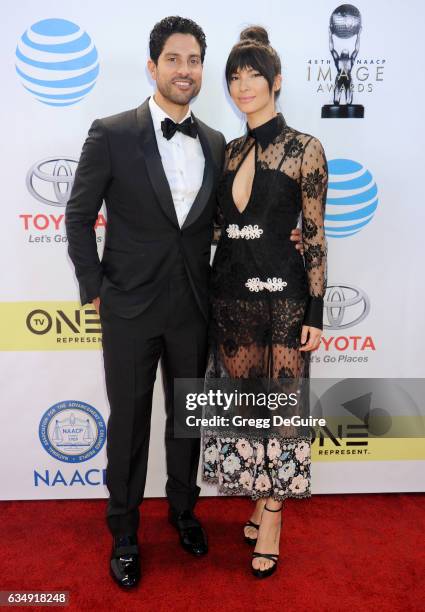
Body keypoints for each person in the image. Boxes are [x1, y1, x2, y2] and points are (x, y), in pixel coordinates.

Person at [65, 16, 303, 589]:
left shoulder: (218, 144)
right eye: (174, 59)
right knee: (128, 424)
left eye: (194, 60)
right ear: (153, 67)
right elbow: (78, 217)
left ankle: (182, 511)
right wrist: (95, 288)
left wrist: (282, 235)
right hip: (127, 305)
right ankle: (123, 531)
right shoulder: (112, 132)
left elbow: (232, 221)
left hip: (197, 306)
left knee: (187, 421)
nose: (185, 70)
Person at [202, 26, 328, 578]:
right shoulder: (227, 151)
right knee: (247, 408)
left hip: (283, 301)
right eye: (234, 75)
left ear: (276, 82)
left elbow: (316, 235)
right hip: (231, 297)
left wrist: (317, 313)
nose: (243, 84)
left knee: (281, 413)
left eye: (254, 74)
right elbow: (216, 230)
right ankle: (259, 495)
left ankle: (273, 516)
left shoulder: (306, 148)